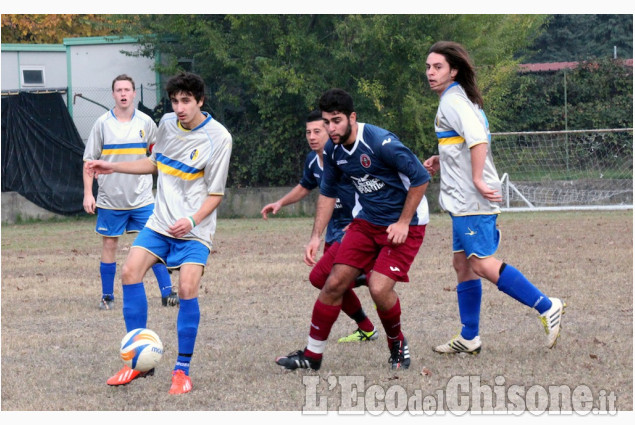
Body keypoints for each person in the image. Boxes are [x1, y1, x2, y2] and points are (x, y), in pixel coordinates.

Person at [86, 72, 232, 394]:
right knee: (129, 271)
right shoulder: (166, 124)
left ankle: (182, 371)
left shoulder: (219, 138)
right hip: (160, 222)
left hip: (194, 229)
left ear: (200, 101)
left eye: (186, 101)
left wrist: (192, 221)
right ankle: (137, 363)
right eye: (175, 101)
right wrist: (113, 166)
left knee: (187, 287)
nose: (179, 108)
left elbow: (216, 193)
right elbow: (154, 163)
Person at [423, 41, 565, 355]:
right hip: (462, 201)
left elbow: (476, 140)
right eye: (429, 67)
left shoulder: (453, 101)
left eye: (438, 67)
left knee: (482, 264)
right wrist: (441, 159)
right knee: (462, 264)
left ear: (454, 71)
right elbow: (464, 142)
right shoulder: (457, 98)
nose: (431, 73)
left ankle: (546, 305)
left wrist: (475, 178)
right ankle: (469, 337)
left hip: (472, 199)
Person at [275, 88, 430, 371]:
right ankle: (312, 356)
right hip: (367, 222)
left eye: (336, 121)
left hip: (406, 224)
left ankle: (396, 343)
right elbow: (328, 192)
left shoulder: (381, 143)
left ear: (352, 117)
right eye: (326, 122)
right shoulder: (333, 150)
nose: (330, 128)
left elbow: (420, 177)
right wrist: (315, 236)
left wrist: (404, 222)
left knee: (379, 288)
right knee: (332, 282)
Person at [261, 110, 378, 343]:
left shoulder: (346, 157)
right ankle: (365, 325)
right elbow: (306, 185)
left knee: (324, 278)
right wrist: (280, 202)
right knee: (329, 280)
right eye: (308, 132)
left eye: (318, 131)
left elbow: (372, 186)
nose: (312, 136)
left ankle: (366, 278)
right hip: (334, 229)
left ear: (330, 131)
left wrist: (362, 219)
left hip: (356, 229)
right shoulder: (312, 160)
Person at [83, 74, 177, 310]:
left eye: (127, 89)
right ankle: (107, 297)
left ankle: (168, 293)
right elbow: (89, 161)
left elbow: (159, 156)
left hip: (142, 199)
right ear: (113, 94)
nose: (123, 94)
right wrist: (88, 193)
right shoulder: (102, 124)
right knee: (109, 245)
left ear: (134, 93)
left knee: (154, 244)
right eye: (119, 90)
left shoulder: (146, 123)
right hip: (110, 198)